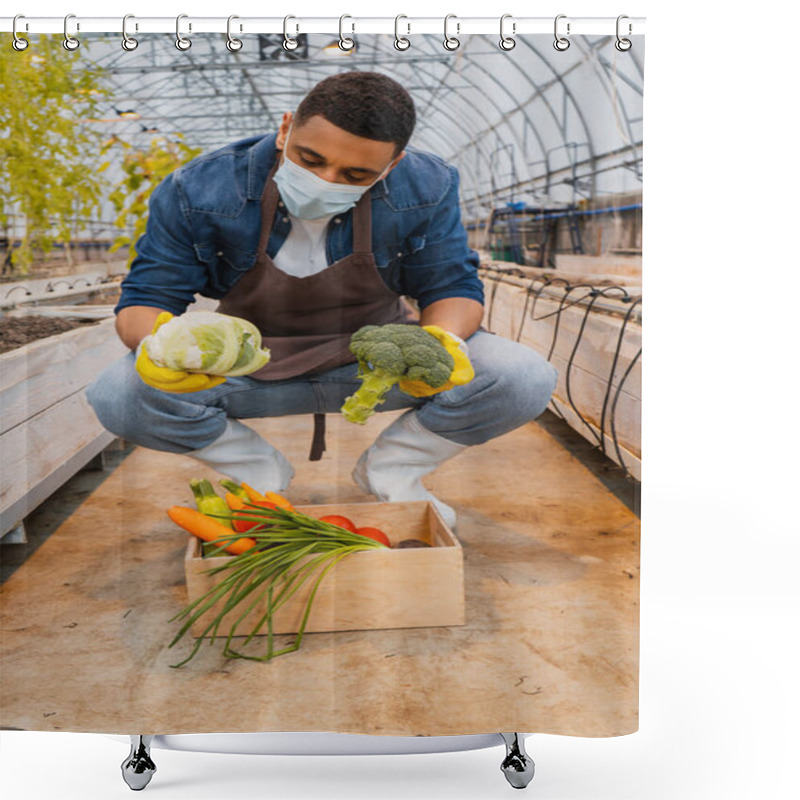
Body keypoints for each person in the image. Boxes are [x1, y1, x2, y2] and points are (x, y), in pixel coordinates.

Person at [86, 71, 557, 528]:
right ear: (285, 129)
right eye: (310, 159)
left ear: (392, 166)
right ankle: (257, 471)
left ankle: (393, 468)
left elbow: (452, 287)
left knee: (519, 376)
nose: (327, 180)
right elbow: (146, 297)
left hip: (373, 363)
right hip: (245, 368)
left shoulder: (426, 186)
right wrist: (164, 349)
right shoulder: (199, 188)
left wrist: (441, 341)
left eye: (355, 174)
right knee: (121, 395)